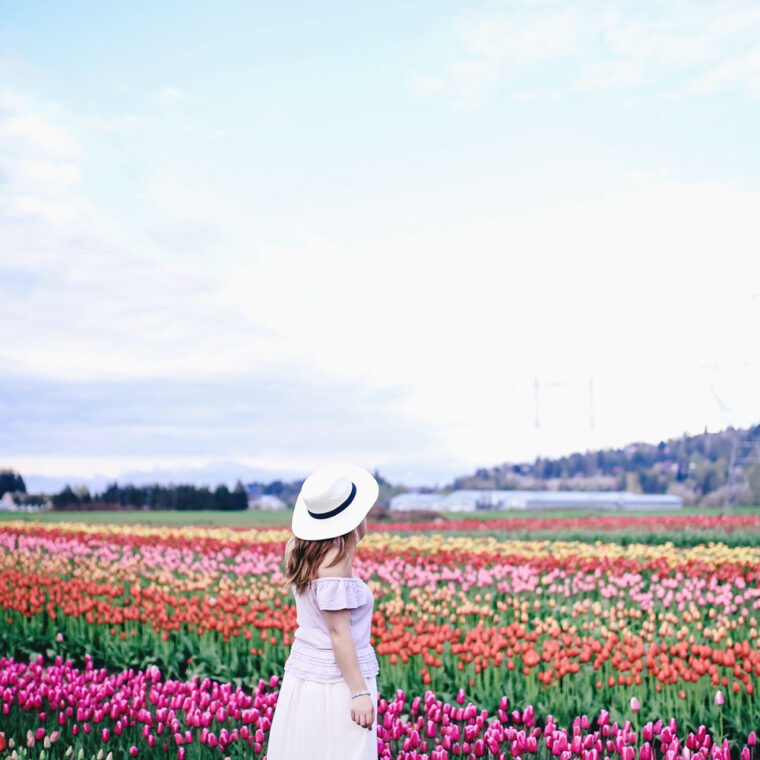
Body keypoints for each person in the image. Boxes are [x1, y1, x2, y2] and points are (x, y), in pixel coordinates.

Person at [265, 464, 380, 760]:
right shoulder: (335, 558)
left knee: (306, 748)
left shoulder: (297, 547)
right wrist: (359, 693)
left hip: (304, 674)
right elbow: (339, 632)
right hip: (338, 681)